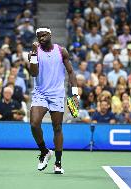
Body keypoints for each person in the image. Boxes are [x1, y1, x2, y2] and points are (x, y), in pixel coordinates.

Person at [29, 27, 79, 174]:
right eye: (39, 36)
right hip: (40, 93)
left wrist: (75, 94)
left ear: (50, 35)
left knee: (57, 128)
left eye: (44, 35)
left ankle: (58, 163)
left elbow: (70, 72)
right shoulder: (34, 52)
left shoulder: (61, 51)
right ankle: (44, 151)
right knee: (34, 123)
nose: (41, 38)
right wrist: (33, 53)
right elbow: (33, 73)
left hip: (57, 94)